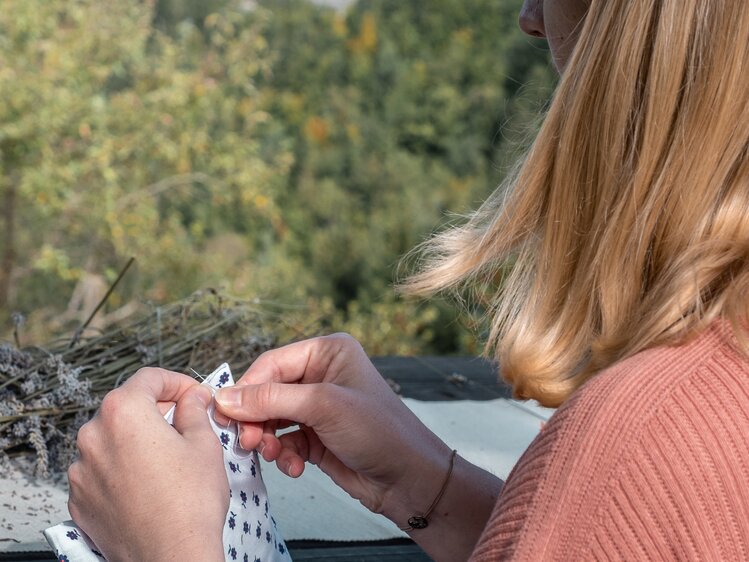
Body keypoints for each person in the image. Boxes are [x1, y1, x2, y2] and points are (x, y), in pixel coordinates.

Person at [67, 0, 749, 560]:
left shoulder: (631, 448)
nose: (529, 16)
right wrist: (429, 485)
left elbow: (617, 509)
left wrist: (169, 547)